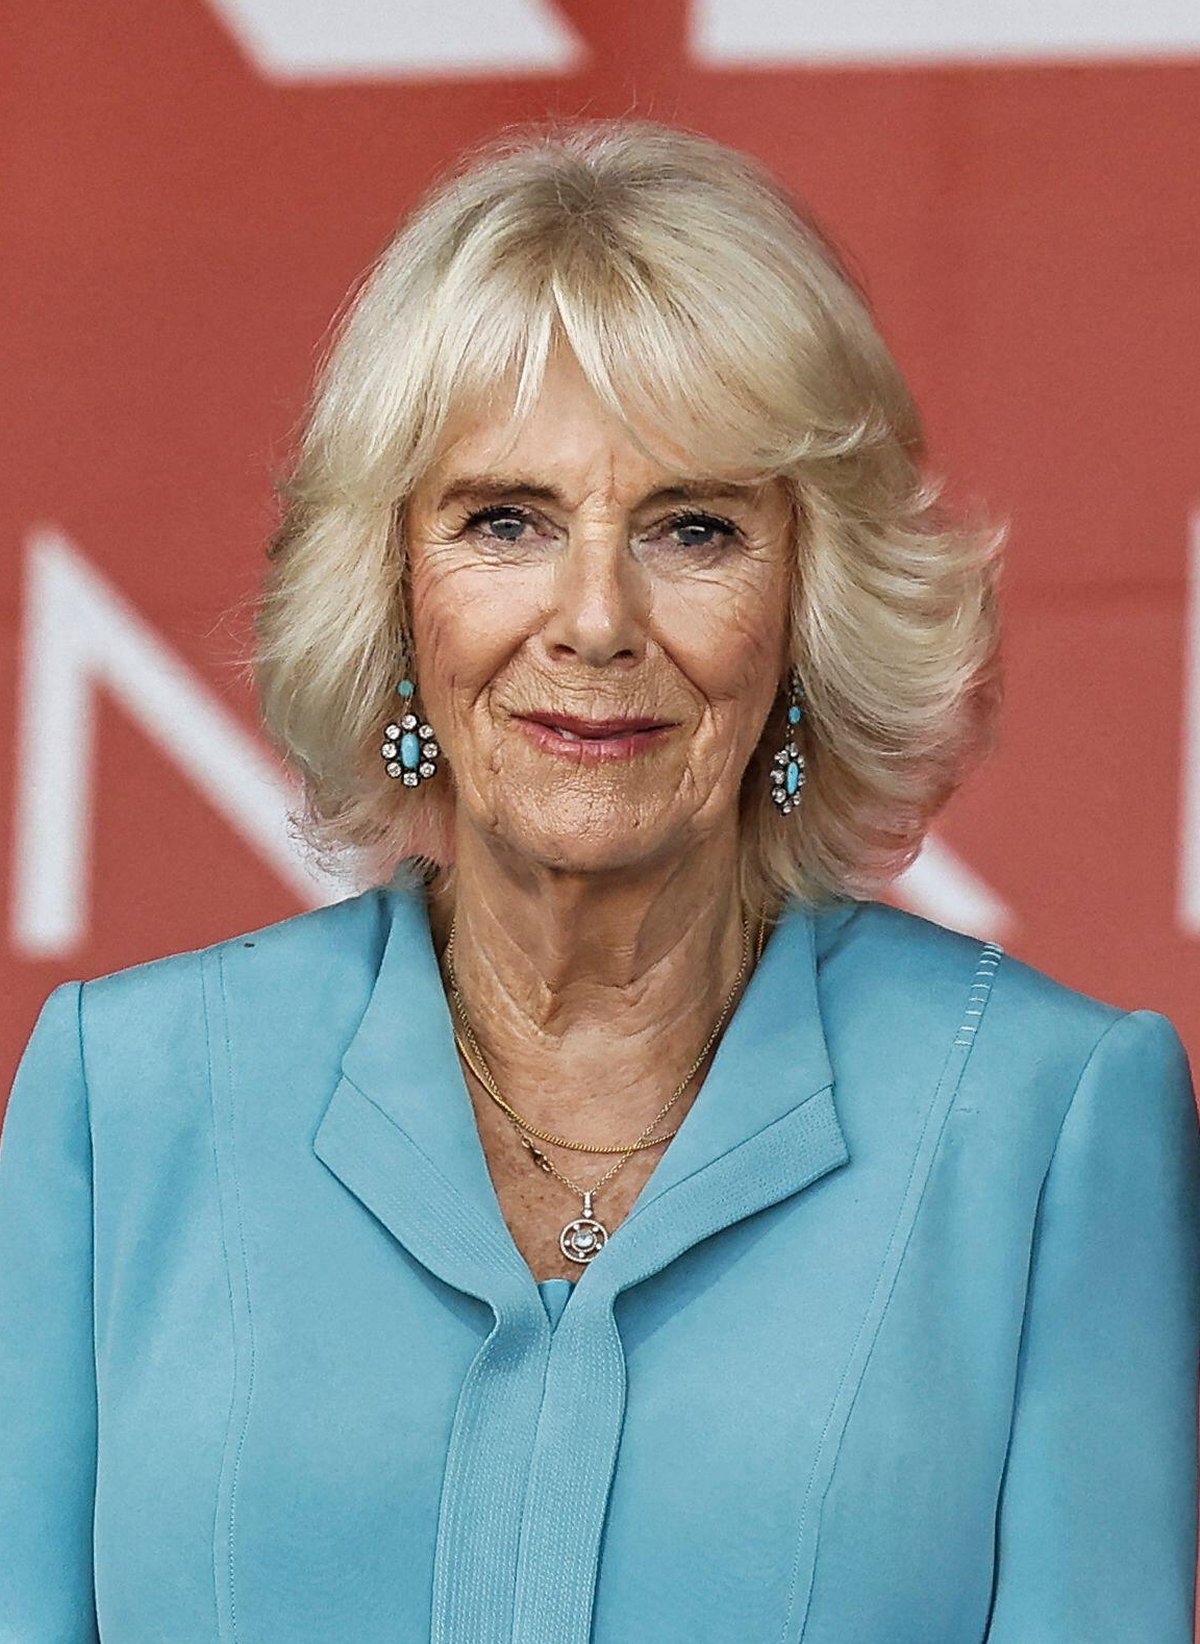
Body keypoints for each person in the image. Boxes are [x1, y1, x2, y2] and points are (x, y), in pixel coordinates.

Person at [1, 118, 1197, 1644]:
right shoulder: (124, 1098)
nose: (593, 618)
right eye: (506, 520)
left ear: (809, 604)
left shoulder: (1044, 1122)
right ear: (393, 588)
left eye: (695, 529)